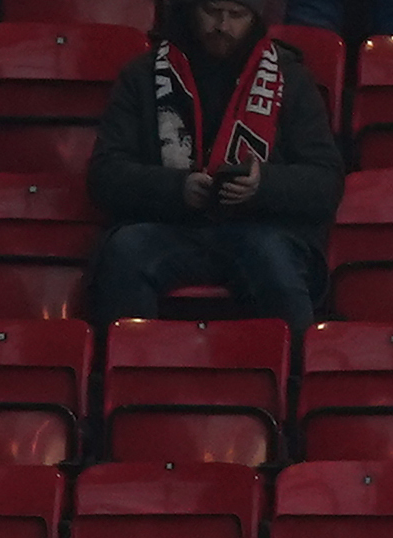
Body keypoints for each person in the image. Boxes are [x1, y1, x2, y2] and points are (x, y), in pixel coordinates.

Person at [90, 0, 344, 331]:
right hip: (169, 225)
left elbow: (326, 180)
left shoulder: (291, 79)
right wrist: (177, 188)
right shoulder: (142, 75)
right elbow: (105, 175)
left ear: (255, 18)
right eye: (211, 11)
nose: (222, 25)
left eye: (236, 15)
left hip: (262, 228)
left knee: (274, 261)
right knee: (125, 252)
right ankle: (129, 376)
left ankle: (293, 378)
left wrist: (261, 185)